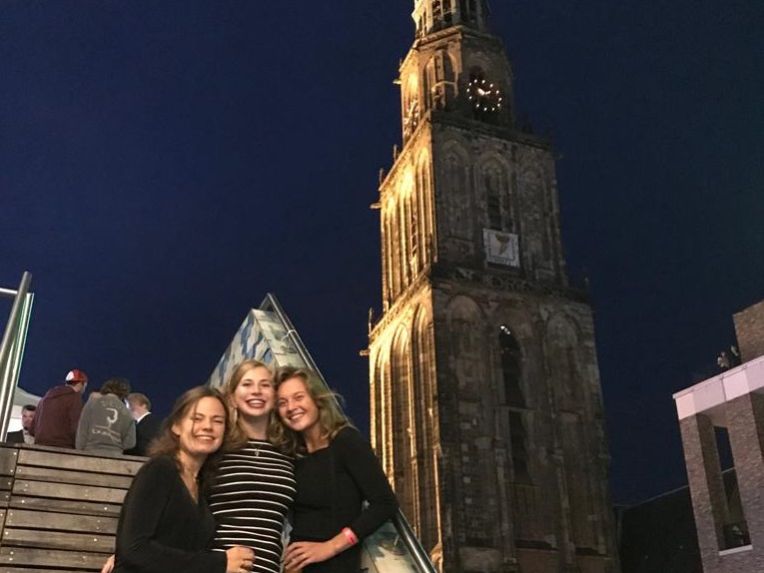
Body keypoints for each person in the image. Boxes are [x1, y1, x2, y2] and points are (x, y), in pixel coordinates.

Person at [111, 386, 254, 573]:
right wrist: (218, 563)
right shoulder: (160, 470)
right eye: (197, 418)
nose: (208, 426)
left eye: (217, 421)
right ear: (176, 426)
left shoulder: (201, 485)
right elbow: (134, 548)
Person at [274, 367, 398, 573]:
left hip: (336, 565)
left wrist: (330, 547)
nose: (291, 407)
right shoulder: (293, 454)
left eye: (298, 397)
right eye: (282, 403)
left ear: (317, 399)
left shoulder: (345, 441)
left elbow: (385, 503)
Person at [209, 359, 296, 573]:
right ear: (232, 396)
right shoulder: (217, 447)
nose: (256, 391)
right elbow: (179, 501)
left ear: (275, 395)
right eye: (247, 384)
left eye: (265, 385)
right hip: (218, 566)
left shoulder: (288, 451)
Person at [76, 378, 136, 455]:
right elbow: (130, 443)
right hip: (115, 455)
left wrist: (80, 450)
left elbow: (82, 430)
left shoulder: (92, 403)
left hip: (90, 452)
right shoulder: (128, 413)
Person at [32, 368, 88, 448]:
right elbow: (76, 428)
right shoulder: (74, 398)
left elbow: (32, 429)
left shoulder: (44, 399)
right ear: (81, 384)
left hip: (38, 448)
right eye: (85, 385)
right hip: (62, 449)